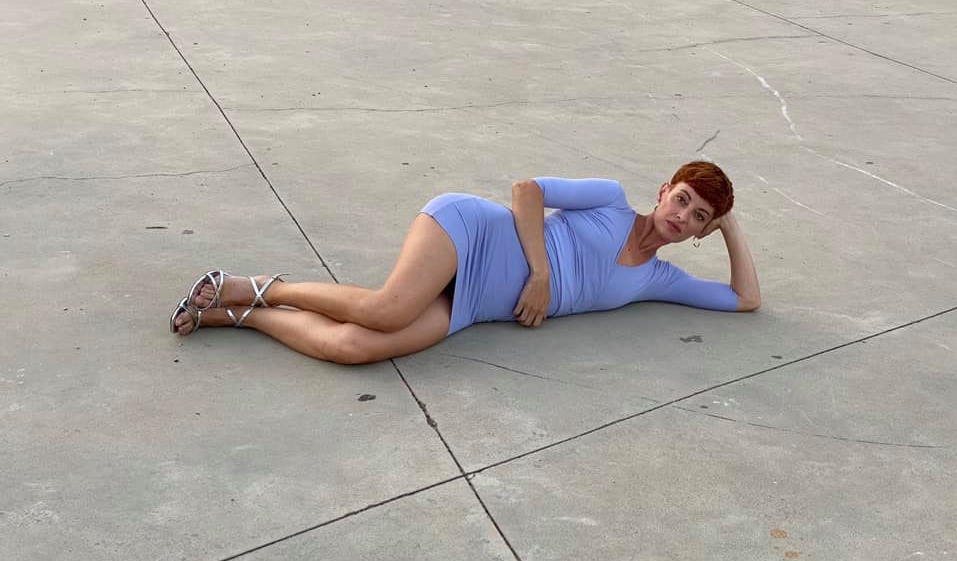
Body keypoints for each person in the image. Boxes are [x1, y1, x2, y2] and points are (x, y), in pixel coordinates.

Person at [170, 161, 760, 364]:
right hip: (473, 234)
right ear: (663, 191)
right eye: (683, 199)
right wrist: (541, 274)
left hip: (475, 305)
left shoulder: (657, 278)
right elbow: (526, 190)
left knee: (353, 348)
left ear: (701, 232)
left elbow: (744, 300)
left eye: (700, 216)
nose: (683, 215)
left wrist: (731, 224)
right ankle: (255, 287)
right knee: (385, 310)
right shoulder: (609, 199)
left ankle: (239, 315)